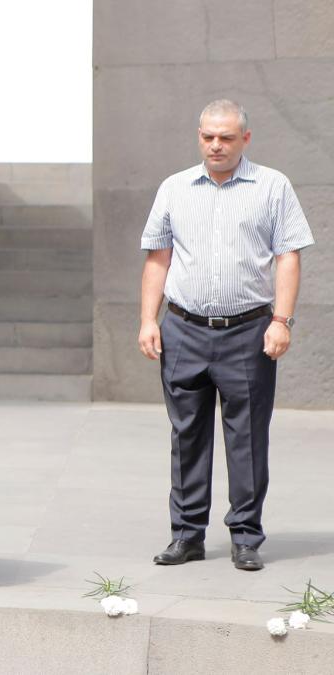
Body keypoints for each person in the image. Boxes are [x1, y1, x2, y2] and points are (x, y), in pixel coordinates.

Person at [138, 99, 314, 571]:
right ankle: (187, 535)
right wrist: (148, 320)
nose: (216, 145)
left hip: (248, 332)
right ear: (199, 136)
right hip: (184, 329)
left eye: (227, 138)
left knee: (247, 438)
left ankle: (245, 537)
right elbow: (158, 257)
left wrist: (282, 320)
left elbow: (288, 256)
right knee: (186, 437)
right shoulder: (174, 188)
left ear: (245, 140)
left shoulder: (272, 186)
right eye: (208, 137)